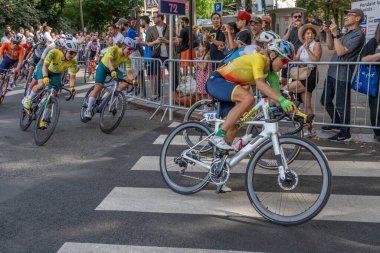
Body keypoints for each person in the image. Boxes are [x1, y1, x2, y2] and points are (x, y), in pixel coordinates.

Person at [206, 39, 296, 150]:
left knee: (233, 128)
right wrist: (283, 100)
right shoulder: (259, 59)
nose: (285, 66)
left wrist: (298, 114)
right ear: (273, 55)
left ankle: (219, 161)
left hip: (228, 87)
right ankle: (218, 136)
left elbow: (277, 100)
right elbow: (260, 84)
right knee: (248, 98)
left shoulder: (272, 75)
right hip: (217, 81)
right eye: (284, 61)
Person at [321, 9, 365, 142]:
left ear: (357, 18)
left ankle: (345, 132)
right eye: (346, 15)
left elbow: (340, 52)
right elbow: (330, 47)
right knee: (325, 100)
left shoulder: (359, 34)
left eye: (349, 15)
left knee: (342, 105)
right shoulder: (346, 32)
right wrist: (329, 33)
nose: (346, 17)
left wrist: (335, 35)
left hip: (343, 74)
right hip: (332, 72)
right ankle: (337, 122)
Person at [21, 41, 78, 120]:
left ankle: (44, 119)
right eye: (71, 53)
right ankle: (28, 99)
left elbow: (72, 77)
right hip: (44, 68)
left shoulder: (74, 62)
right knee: (41, 85)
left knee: (53, 94)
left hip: (56, 74)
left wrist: (72, 87)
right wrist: (45, 77)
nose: (73, 55)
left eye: (75, 53)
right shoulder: (54, 52)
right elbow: (44, 66)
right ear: (64, 50)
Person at [83, 37, 138, 119]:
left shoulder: (128, 58)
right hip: (104, 67)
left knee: (127, 80)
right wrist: (112, 71)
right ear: (123, 46)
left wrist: (133, 81)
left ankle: (110, 94)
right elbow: (109, 61)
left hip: (114, 69)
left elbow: (129, 73)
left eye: (132, 50)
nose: (130, 52)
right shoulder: (114, 49)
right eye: (129, 49)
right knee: (98, 87)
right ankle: (88, 109)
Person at [283, 24, 322, 137]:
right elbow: (295, 58)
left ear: (314, 35)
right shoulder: (301, 46)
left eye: (311, 33)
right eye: (307, 33)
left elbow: (316, 60)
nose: (310, 35)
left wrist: (307, 50)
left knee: (284, 89)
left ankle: (285, 112)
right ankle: (310, 130)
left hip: (310, 75)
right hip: (302, 75)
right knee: (307, 105)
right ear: (304, 36)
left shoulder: (316, 45)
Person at [359, 23, 380, 142]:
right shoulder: (373, 42)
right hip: (375, 81)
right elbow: (363, 59)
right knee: (376, 108)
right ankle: (377, 133)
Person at [282, 10, 304, 86]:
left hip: (300, 58)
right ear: (292, 18)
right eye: (295, 17)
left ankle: (294, 96)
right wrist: (289, 30)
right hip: (289, 57)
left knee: (296, 79)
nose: (297, 18)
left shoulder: (304, 28)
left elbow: (306, 41)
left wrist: (300, 28)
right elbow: (284, 41)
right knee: (284, 79)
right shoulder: (289, 28)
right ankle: (285, 94)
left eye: (299, 17)